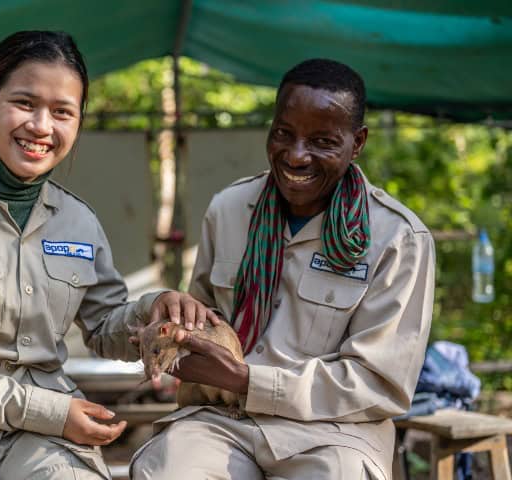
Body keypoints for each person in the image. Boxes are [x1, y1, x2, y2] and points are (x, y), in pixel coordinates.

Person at [0, 30, 215, 480]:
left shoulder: (78, 221)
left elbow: (104, 326)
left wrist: (153, 311)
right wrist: (48, 412)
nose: (41, 126)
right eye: (24, 103)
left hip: (44, 440)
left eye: (62, 112)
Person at [131, 59, 435, 479]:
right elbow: (199, 318)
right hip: (223, 421)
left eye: (323, 141)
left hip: (333, 433)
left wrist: (247, 380)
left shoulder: (398, 239)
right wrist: (171, 333)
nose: (296, 155)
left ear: (357, 141)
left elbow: (379, 383)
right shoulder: (230, 209)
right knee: (165, 468)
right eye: (283, 134)